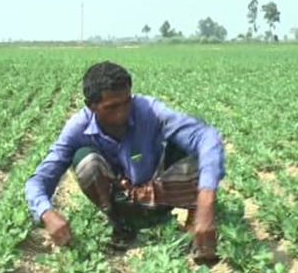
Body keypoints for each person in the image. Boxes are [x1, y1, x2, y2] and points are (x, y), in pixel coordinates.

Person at [24, 61, 225, 262]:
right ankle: (122, 225)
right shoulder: (77, 128)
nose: (122, 112)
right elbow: (38, 181)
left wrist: (206, 203)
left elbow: (207, 138)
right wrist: (46, 213)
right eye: (111, 107)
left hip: (158, 188)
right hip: (120, 198)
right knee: (86, 161)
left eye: (126, 102)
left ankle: (194, 222)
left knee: (194, 139)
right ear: (91, 106)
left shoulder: (148, 109)